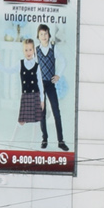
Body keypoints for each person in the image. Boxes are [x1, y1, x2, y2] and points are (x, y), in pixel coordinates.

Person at [36, 24, 69, 152]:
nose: (44, 37)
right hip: (40, 84)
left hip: (50, 84)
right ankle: (44, 139)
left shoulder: (53, 49)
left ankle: (60, 141)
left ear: (49, 35)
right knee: (42, 113)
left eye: (45, 34)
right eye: (41, 34)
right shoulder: (36, 50)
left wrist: (58, 75)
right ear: (38, 37)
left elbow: (64, 61)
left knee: (56, 111)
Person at [18, 39, 42, 128]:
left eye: (30, 49)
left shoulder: (37, 66)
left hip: (35, 94)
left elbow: (40, 83)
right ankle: (13, 139)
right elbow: (10, 70)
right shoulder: (20, 64)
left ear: (33, 50)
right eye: (26, 50)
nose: (28, 52)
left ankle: (33, 140)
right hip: (25, 95)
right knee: (21, 122)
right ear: (23, 51)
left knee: (35, 123)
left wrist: (42, 100)